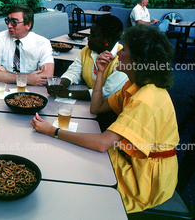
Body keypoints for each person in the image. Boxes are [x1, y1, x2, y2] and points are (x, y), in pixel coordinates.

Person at [32, 25, 179, 213]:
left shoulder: (146, 99)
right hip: (129, 159)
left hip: (144, 178)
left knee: (77, 178)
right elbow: (96, 108)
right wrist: (100, 72)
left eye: (124, 49)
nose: (118, 53)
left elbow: (102, 144)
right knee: (74, 158)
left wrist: (54, 131)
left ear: (138, 60)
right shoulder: (136, 85)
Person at [49, 15, 128, 101]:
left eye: (93, 35)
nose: (88, 38)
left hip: (111, 109)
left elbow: (106, 93)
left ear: (107, 41)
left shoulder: (123, 59)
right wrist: (60, 84)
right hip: (89, 104)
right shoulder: (87, 50)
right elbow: (73, 72)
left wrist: (69, 93)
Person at [0, 4, 54, 86]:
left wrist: (5, 73)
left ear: (28, 25)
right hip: (4, 86)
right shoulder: (0, 38)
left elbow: (47, 76)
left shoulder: (43, 43)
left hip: (31, 88)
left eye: (14, 22)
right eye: (8, 21)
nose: (9, 26)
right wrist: (27, 78)